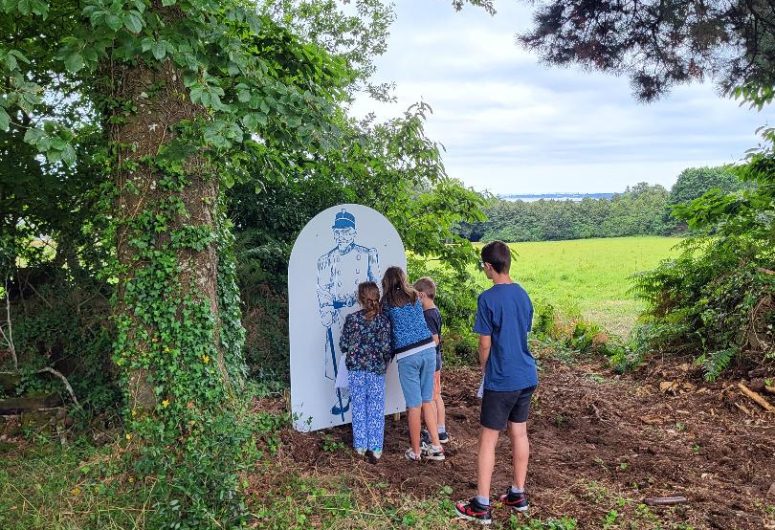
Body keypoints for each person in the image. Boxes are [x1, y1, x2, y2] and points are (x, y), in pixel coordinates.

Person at [455, 241, 539, 524]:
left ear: (489, 266)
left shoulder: (487, 299)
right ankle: (518, 493)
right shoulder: (523, 295)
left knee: (488, 440)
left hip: (501, 379)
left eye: (484, 267)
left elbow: (484, 344)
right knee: (519, 433)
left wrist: (484, 370)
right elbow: (521, 331)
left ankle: (481, 504)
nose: (484, 271)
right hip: (526, 376)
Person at [317, 209, 381, 418]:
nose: (342, 235)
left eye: (346, 231)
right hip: (338, 315)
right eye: (338, 231)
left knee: (365, 352)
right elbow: (323, 288)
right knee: (341, 355)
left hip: (362, 311)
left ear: (353, 232)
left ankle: (365, 392)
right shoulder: (326, 259)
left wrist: (373, 307)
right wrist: (326, 309)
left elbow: (376, 282)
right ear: (334, 233)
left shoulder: (367, 254)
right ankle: (343, 395)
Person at [380, 266, 445, 462]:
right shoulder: (416, 296)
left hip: (408, 355)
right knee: (427, 401)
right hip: (428, 350)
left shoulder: (386, 304)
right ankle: (436, 447)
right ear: (403, 279)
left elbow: (385, 330)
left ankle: (415, 452)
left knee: (414, 406)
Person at [339, 282, 392, 463]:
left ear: (360, 299)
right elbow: (386, 348)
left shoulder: (352, 319)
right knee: (376, 409)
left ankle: (360, 447)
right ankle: (376, 449)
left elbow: (343, 345)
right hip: (376, 370)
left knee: (359, 408)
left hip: (355, 371)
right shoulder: (384, 321)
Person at [413, 277, 450, 445]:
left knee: (431, 397)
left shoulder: (427, 315)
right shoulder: (435, 311)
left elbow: (435, 339)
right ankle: (440, 429)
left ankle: (433, 429)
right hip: (437, 358)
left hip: (431, 359)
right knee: (437, 396)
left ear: (421, 295)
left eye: (416, 297)